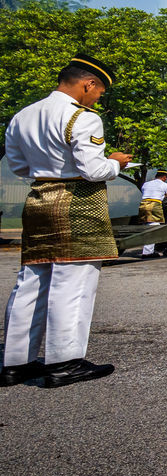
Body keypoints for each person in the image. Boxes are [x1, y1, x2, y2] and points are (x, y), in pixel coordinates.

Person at [2, 53, 130, 388]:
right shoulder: (83, 118)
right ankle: (65, 361)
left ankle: (16, 363)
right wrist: (116, 162)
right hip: (76, 204)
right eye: (99, 91)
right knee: (73, 283)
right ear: (88, 84)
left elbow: (17, 166)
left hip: (38, 200)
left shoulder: (22, 116)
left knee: (31, 280)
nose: (98, 97)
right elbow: (94, 170)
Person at [138, 169, 167, 258]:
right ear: (164, 177)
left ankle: (148, 250)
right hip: (154, 206)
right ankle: (147, 252)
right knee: (154, 228)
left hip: (143, 205)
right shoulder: (166, 185)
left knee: (147, 227)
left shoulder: (146, 184)